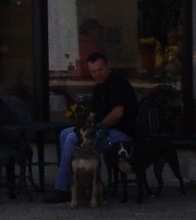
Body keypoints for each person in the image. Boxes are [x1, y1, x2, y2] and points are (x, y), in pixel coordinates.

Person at [45, 51, 136, 202]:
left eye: (100, 70)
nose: (97, 74)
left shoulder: (118, 83)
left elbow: (117, 114)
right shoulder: (99, 87)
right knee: (65, 134)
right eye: (93, 71)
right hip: (102, 129)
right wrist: (83, 125)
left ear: (107, 66)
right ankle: (71, 183)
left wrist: (97, 127)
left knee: (72, 139)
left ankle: (61, 188)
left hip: (120, 132)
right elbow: (92, 114)